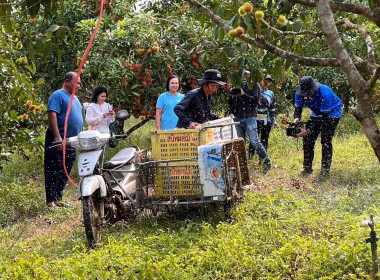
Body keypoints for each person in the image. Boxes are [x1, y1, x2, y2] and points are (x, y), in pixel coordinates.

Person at [44, 72, 83, 208]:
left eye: (80, 83)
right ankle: (50, 201)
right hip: (59, 138)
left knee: (65, 170)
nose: (79, 85)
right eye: (76, 82)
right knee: (53, 168)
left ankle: (58, 199)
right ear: (67, 81)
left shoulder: (76, 99)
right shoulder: (57, 95)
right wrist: (57, 136)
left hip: (72, 141)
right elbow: (52, 114)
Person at [293, 75, 342, 179]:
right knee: (307, 140)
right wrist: (296, 120)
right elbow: (298, 109)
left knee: (325, 140)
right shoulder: (299, 93)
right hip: (317, 112)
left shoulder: (325, 93)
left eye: (309, 92)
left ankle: (324, 172)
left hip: (332, 112)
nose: (307, 94)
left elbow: (323, 119)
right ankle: (307, 169)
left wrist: (308, 131)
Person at [228, 68, 272, 174]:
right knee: (240, 142)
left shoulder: (254, 85)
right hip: (238, 117)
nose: (245, 76)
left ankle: (267, 162)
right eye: (243, 74)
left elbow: (255, 100)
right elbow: (229, 102)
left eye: (247, 74)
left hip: (250, 117)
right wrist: (233, 95)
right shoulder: (237, 85)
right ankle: (242, 166)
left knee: (254, 141)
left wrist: (243, 95)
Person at [249, 75, 279, 158]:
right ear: (260, 81)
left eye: (268, 81)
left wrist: (274, 121)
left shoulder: (270, 93)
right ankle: (250, 157)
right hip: (255, 119)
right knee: (253, 139)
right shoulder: (254, 91)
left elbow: (272, 108)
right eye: (265, 80)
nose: (266, 83)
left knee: (264, 140)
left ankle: (263, 159)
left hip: (267, 120)